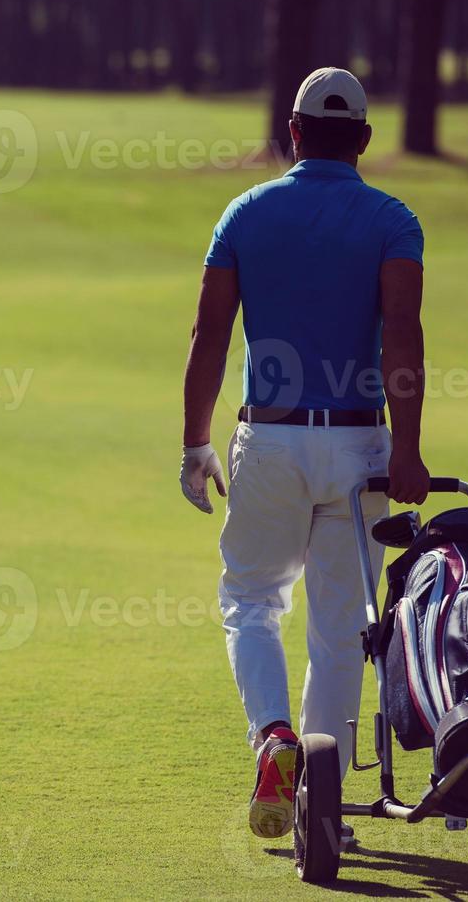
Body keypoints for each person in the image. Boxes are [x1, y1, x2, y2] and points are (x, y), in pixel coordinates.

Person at [178, 68, 431, 841]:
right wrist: (411, 449)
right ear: (361, 138)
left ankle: (274, 739)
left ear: (292, 132)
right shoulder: (392, 218)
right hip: (358, 442)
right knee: (343, 628)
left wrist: (194, 444)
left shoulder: (245, 212)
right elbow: (402, 336)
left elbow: (209, 336)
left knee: (251, 601)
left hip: (271, 436)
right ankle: (323, 806)